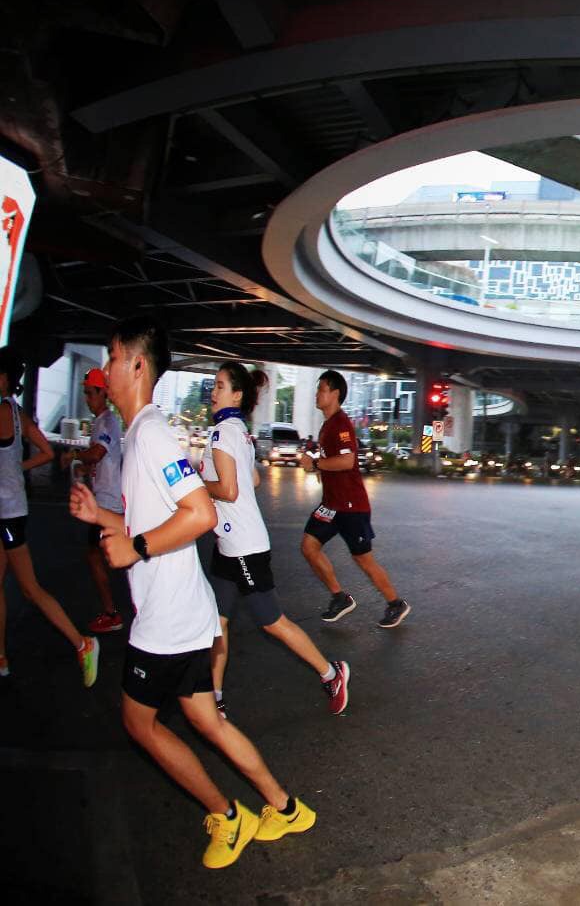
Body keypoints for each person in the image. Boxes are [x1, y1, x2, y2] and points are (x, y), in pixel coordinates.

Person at [69, 317, 315, 868]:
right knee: (208, 722)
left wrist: (134, 547)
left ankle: (228, 817)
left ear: (137, 365)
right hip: (184, 611)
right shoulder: (141, 433)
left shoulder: (151, 435)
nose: (105, 369)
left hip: (168, 618)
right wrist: (101, 517)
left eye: (112, 357)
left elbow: (200, 513)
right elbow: (156, 517)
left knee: (140, 723)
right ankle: (285, 807)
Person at [199, 362, 349, 717]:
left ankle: (331, 674)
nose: (213, 392)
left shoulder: (224, 433)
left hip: (243, 548)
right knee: (218, 621)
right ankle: (215, 697)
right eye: (214, 385)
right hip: (228, 544)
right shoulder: (238, 430)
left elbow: (230, 490)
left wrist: (194, 483)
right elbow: (252, 480)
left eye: (220, 386)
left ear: (237, 395)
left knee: (272, 621)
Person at [0, 348, 99, 685]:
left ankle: (82, 644)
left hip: (8, 515)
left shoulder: (3, 411)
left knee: (30, 589)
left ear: (4, 378)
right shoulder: (18, 415)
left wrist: (14, 468)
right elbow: (45, 452)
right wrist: (17, 467)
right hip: (12, 509)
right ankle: (1, 657)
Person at [299, 370, 410, 628]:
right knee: (308, 546)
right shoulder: (327, 425)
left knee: (363, 559)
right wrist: (318, 467)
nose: (317, 394)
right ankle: (339, 597)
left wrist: (315, 464)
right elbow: (332, 462)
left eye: (321, 389)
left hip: (350, 506)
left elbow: (347, 461)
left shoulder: (341, 423)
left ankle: (395, 603)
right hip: (331, 505)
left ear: (335, 393)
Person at [63, 368, 125, 633]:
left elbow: (98, 453)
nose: (87, 399)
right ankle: (116, 610)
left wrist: (74, 455)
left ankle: (112, 613)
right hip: (104, 501)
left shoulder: (107, 422)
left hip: (107, 504)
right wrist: (83, 468)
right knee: (106, 555)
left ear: (103, 394)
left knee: (103, 556)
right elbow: (100, 460)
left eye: (91, 393)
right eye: (86, 393)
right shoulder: (101, 422)